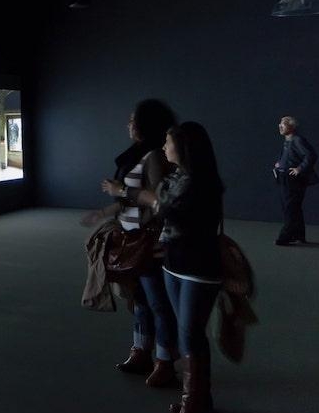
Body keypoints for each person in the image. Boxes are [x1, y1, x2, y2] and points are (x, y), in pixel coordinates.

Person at [116, 122, 224, 413]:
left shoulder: (201, 183)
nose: (164, 147)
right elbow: (166, 211)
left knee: (191, 333)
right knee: (186, 332)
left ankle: (195, 402)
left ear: (184, 146)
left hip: (199, 268)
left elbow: (172, 212)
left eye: (168, 142)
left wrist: (144, 196)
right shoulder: (177, 178)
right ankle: (196, 399)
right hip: (174, 265)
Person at [80, 99, 178, 387]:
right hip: (130, 239)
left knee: (157, 302)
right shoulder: (136, 156)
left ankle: (165, 362)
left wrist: (121, 190)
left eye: (134, 119)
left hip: (148, 243)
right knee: (139, 300)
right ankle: (140, 352)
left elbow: (160, 201)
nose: (129, 124)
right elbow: (131, 201)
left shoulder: (154, 157)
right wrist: (108, 210)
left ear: (146, 125)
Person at [273, 116, 318, 245]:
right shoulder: (287, 140)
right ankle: (298, 235)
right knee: (293, 208)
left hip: (293, 180)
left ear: (292, 127)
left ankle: (285, 237)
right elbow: (289, 157)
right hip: (284, 178)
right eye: (280, 123)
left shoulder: (297, 140)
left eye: (284, 124)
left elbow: (311, 155)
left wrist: (299, 169)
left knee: (290, 208)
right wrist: (280, 164)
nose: (280, 126)